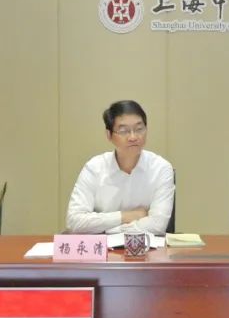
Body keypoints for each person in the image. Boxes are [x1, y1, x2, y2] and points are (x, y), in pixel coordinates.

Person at [65, 100, 175, 234]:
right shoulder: (94, 168)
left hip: (145, 246)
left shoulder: (161, 169)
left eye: (139, 129)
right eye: (124, 131)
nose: (133, 137)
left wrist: (110, 230)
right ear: (109, 135)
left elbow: (157, 225)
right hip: (102, 247)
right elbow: (74, 221)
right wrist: (126, 216)